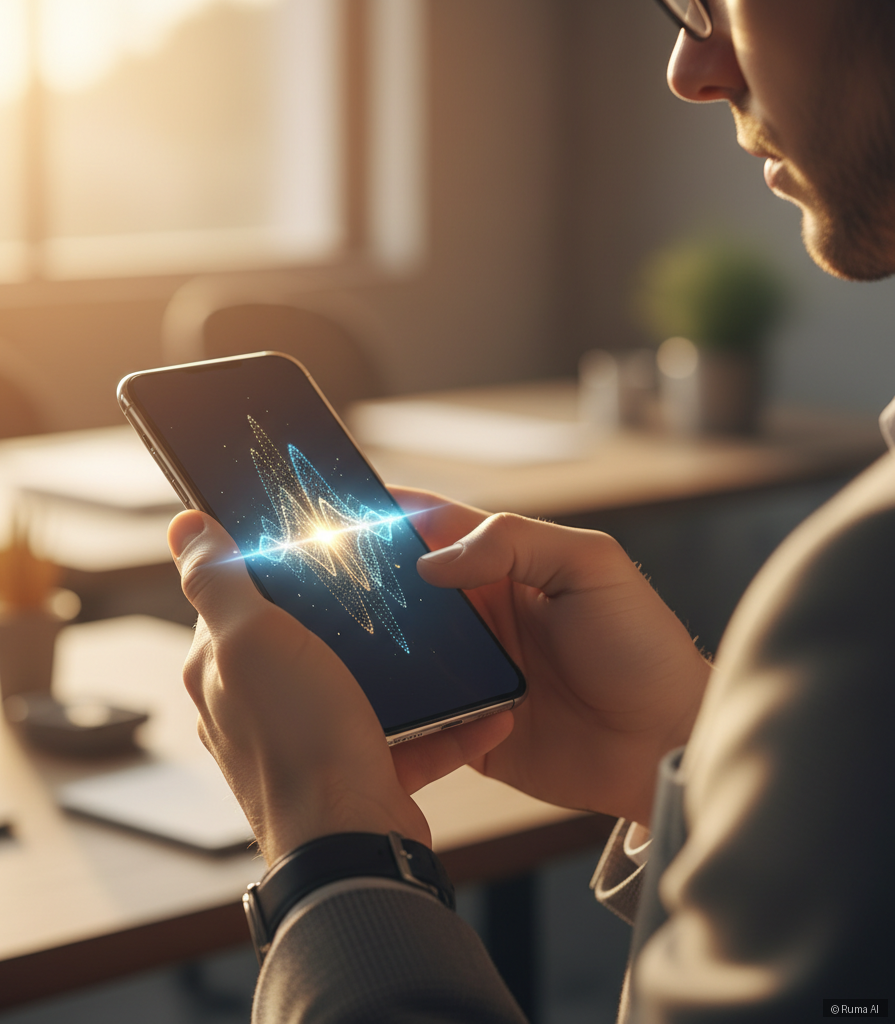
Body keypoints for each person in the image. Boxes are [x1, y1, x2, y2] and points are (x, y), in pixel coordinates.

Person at [166, 1, 895, 1019]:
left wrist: (331, 858)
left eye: (714, 0)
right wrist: (689, 763)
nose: (691, 68)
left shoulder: (867, 589)